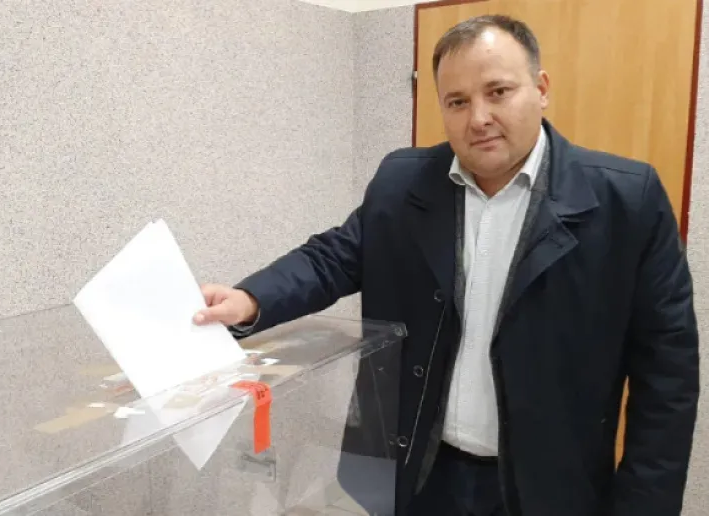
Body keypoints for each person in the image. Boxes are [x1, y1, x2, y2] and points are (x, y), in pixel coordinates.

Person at [193, 14, 699, 516]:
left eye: (498, 92)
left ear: (541, 88)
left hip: (549, 486)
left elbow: (667, 377)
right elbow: (334, 256)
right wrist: (251, 299)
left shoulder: (627, 201)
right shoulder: (402, 183)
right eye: (457, 101)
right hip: (420, 473)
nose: (478, 118)